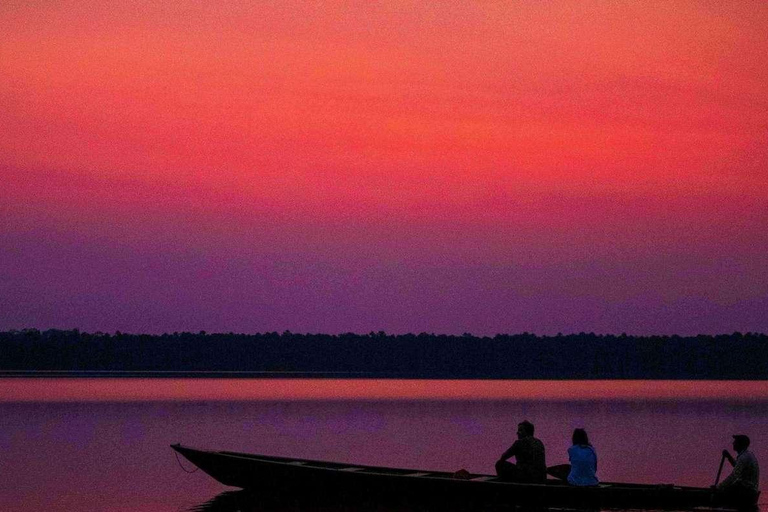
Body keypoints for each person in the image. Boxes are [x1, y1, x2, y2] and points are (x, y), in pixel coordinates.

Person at [717, 434, 759, 502]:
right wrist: (729, 457)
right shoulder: (747, 455)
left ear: (740, 444)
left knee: (723, 491)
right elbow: (737, 466)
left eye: (735, 441)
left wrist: (719, 487)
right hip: (750, 490)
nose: (733, 443)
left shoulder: (744, 457)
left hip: (746, 491)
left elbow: (734, 476)